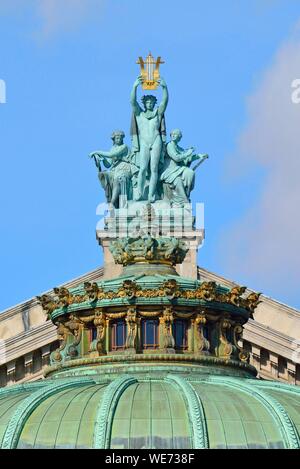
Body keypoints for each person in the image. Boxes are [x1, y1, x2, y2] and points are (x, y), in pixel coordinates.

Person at [130, 76, 169, 202]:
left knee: (153, 169)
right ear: (145, 103)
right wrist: (135, 87)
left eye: (152, 102)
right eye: (148, 102)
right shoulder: (139, 113)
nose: (150, 104)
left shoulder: (158, 113)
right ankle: (140, 193)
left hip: (156, 140)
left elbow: (165, 102)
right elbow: (132, 102)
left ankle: (151, 194)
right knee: (142, 169)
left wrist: (164, 88)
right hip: (144, 142)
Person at [161, 129, 208, 207]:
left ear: (179, 137)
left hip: (178, 169)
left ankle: (187, 193)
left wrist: (200, 156)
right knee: (178, 180)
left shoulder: (180, 149)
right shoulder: (169, 145)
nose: (173, 135)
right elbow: (176, 158)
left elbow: (188, 159)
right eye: (172, 134)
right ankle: (183, 200)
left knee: (190, 172)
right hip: (169, 171)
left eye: (175, 134)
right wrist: (188, 153)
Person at [89, 130, 132, 208]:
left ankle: (112, 202)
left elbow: (111, 155)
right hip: (115, 170)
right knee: (104, 175)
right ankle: (109, 199)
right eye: (117, 138)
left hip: (124, 168)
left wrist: (96, 152)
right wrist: (103, 159)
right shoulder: (113, 148)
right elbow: (108, 164)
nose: (118, 140)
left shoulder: (124, 147)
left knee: (118, 180)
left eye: (120, 138)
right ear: (114, 140)